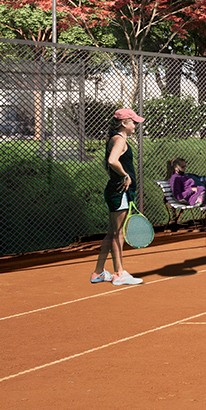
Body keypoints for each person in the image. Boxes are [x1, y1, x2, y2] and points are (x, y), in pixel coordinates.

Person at [90, 107, 145, 286]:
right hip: (120, 191)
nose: (136, 125)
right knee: (117, 233)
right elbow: (112, 161)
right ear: (124, 123)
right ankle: (119, 273)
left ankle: (98, 272)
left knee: (112, 232)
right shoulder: (120, 140)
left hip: (116, 190)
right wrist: (125, 175)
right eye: (133, 122)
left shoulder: (115, 139)